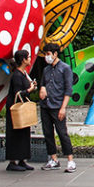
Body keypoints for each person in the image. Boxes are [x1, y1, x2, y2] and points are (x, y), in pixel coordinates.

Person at [38, 43, 75, 173]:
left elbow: (68, 89)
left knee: (62, 133)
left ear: (55, 54)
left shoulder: (65, 68)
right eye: (45, 54)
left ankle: (70, 160)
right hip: (45, 105)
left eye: (48, 54)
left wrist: (63, 107)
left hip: (58, 105)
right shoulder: (46, 70)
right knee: (47, 133)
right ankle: (53, 159)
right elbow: (42, 83)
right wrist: (42, 88)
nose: (46, 57)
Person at [5, 49, 37, 172]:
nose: (29, 59)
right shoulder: (17, 75)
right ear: (23, 60)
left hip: (22, 110)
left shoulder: (23, 74)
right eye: (28, 57)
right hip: (16, 110)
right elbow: (18, 93)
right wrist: (29, 89)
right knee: (15, 134)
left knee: (24, 133)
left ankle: (22, 159)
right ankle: (12, 161)